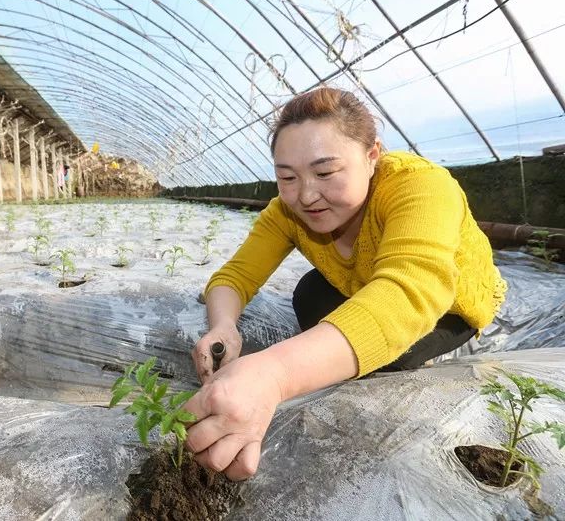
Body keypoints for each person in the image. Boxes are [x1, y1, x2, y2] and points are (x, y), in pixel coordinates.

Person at [184, 87, 507, 482]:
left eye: (325, 172)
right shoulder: (287, 211)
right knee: (309, 295)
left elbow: (409, 293)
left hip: (448, 306)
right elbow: (234, 277)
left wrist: (273, 375)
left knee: (391, 355)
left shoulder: (420, 186)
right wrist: (223, 326)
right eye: (287, 177)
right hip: (365, 287)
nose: (306, 195)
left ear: (372, 155)